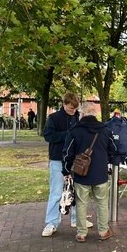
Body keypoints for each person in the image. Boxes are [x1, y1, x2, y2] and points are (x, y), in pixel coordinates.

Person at [62, 102, 117, 242]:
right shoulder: (105, 130)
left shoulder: (75, 130)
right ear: (94, 114)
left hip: (81, 174)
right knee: (102, 203)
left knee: (81, 203)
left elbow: (67, 153)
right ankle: (103, 231)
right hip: (100, 173)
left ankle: (81, 233)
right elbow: (113, 149)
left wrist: (66, 170)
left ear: (82, 114)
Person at [41, 92, 93, 237]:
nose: (73, 111)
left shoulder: (78, 117)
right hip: (58, 159)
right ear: (64, 104)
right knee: (56, 192)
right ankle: (51, 223)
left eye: (75, 109)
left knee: (78, 191)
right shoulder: (53, 118)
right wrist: (69, 134)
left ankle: (77, 219)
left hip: (76, 159)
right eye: (70, 108)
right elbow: (48, 136)